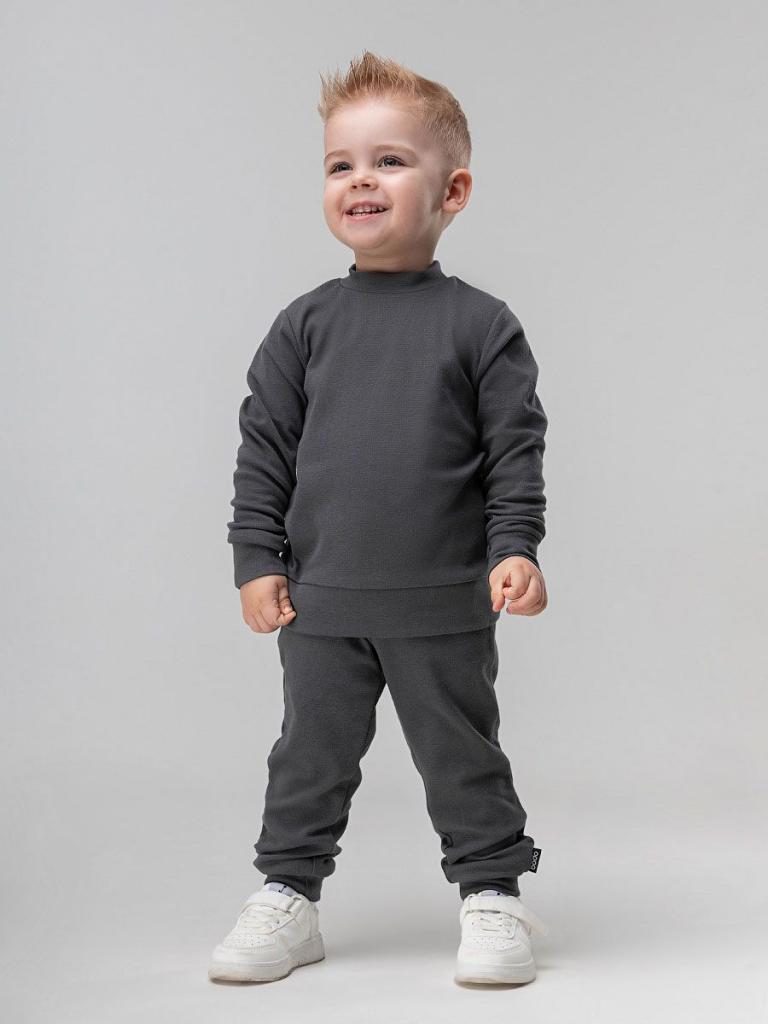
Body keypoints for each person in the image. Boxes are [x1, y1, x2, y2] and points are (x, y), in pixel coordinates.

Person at [209, 49, 550, 987]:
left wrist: (515, 547)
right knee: (307, 757)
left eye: (390, 160)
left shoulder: (481, 326)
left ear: (453, 190)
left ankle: (492, 893)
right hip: (321, 602)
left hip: (443, 602)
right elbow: (263, 449)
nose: (361, 179)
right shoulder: (303, 326)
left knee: (462, 756)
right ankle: (288, 894)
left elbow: (514, 451)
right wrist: (257, 558)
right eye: (341, 164)